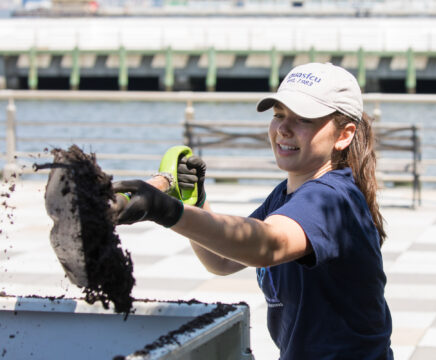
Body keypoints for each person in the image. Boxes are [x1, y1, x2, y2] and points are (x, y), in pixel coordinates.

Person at [113, 62, 393, 360]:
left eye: (303, 120)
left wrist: (162, 209)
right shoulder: (285, 196)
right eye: (279, 115)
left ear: (344, 135)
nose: (283, 129)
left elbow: (266, 245)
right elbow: (222, 260)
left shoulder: (333, 199)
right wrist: (193, 201)